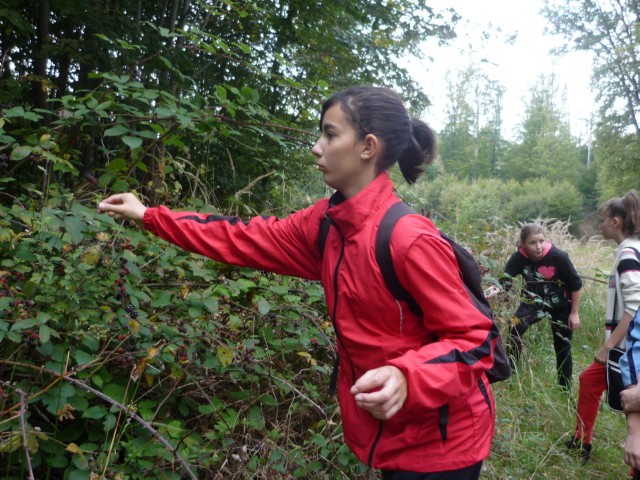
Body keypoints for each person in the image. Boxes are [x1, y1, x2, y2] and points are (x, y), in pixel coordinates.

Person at [98, 86, 498, 479]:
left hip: (445, 442)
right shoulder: (328, 224)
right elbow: (241, 237)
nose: (316, 147)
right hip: (394, 435)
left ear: (367, 147)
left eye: (330, 134)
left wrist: (407, 377)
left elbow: (476, 340)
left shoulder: (407, 239)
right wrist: (150, 215)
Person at [566, 191, 640, 461]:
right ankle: (581, 442)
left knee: (633, 404)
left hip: (628, 349)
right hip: (623, 346)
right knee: (589, 381)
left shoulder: (629, 254)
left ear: (616, 222)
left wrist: (608, 346)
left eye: (602, 220)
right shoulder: (631, 250)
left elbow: (635, 306)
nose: (601, 225)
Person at [487, 223, 582, 390]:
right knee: (515, 328)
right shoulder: (518, 258)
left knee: (563, 346)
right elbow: (504, 282)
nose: (538, 247)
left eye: (541, 241)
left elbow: (576, 285)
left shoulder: (559, 256)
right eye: (532, 243)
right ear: (523, 244)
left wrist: (574, 313)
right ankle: (511, 375)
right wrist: (483, 294)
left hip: (561, 305)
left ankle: (564, 390)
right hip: (533, 302)